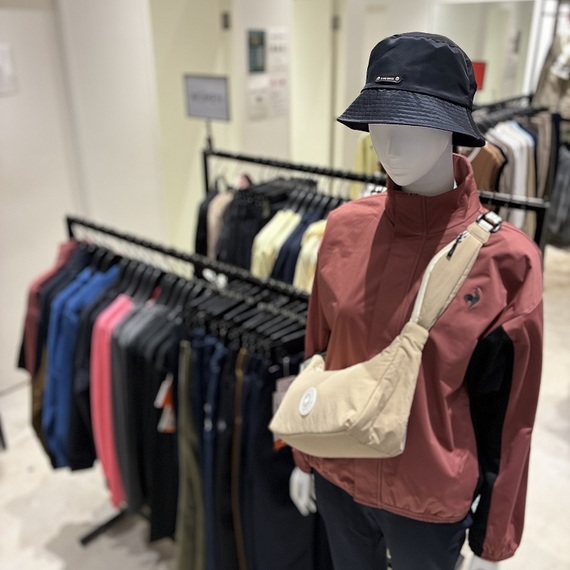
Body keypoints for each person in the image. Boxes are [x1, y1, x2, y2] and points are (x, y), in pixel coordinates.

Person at [288, 32, 543, 570]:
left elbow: (509, 416)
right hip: (338, 472)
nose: (391, 145)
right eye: (380, 124)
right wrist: (304, 457)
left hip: (427, 502)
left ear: (452, 131)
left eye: (412, 124)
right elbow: (320, 355)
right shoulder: (343, 229)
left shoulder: (506, 262)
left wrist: (494, 532)